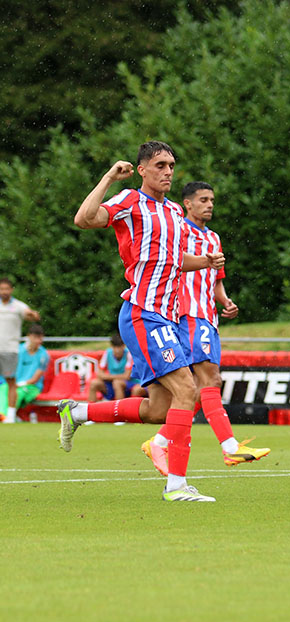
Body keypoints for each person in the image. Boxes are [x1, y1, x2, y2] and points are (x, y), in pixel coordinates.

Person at [62, 140, 224, 502]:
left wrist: (208, 262)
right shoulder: (130, 202)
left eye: (171, 165)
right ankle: (177, 486)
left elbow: (175, 260)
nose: (168, 171)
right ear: (142, 170)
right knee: (188, 390)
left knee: (159, 410)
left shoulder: (174, 214)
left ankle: (80, 412)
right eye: (161, 165)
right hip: (142, 313)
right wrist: (108, 178)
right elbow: (84, 219)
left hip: (167, 318)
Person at [139, 181, 269, 476]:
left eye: (212, 199)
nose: (209, 204)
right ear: (188, 203)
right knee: (211, 378)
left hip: (208, 315)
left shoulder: (214, 238)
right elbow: (169, 265)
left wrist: (225, 300)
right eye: (203, 200)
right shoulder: (179, 230)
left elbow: (216, 279)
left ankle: (160, 440)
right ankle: (230, 447)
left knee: (198, 388)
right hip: (187, 313)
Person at [0, 277, 41, 423]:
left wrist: (33, 315)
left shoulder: (17, 306)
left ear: (11, 290)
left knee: (11, 382)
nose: (4, 291)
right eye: (1, 289)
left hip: (10, 350)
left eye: (6, 289)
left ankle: (10, 415)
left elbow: (32, 315)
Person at [0, 323, 49, 420]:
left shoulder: (44, 355)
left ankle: (6, 416)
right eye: (36, 338)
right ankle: (4, 415)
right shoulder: (18, 350)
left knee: (18, 392)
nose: (38, 341)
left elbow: (35, 379)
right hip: (14, 384)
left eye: (40, 338)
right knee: (3, 388)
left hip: (32, 387)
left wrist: (20, 384)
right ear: (29, 337)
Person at [88, 333, 147, 402]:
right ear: (112, 347)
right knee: (94, 383)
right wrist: (112, 377)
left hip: (130, 384)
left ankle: (119, 411)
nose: (117, 350)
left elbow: (127, 376)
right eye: (115, 347)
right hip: (112, 384)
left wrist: (107, 376)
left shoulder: (128, 354)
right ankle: (90, 410)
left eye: (119, 347)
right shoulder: (107, 353)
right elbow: (99, 374)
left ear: (124, 346)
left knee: (117, 383)